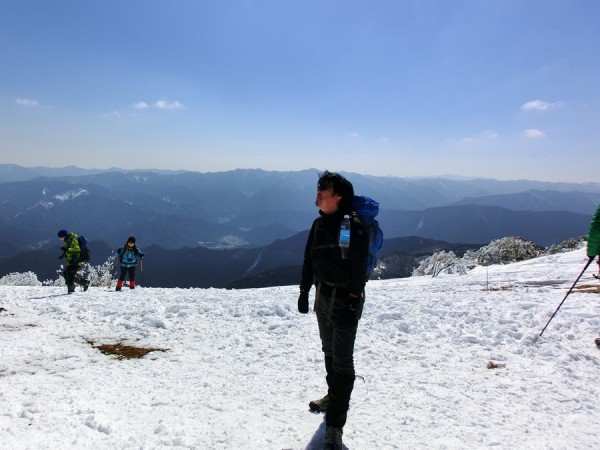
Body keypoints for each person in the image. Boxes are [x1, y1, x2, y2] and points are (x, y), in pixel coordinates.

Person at [298, 170, 369, 450]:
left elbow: (360, 267)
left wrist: (351, 300)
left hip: (344, 300)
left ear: (338, 196)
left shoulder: (354, 226)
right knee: (329, 352)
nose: (318, 192)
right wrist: (304, 291)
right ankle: (332, 394)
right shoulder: (318, 225)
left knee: (342, 363)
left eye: (323, 188)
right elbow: (308, 260)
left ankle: (335, 427)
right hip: (322, 298)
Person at [57, 229, 89, 293]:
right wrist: (63, 255)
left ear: (64, 236)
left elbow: (77, 250)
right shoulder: (67, 240)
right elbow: (70, 252)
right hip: (72, 261)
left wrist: (67, 249)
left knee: (69, 275)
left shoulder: (73, 240)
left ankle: (71, 290)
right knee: (66, 274)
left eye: (61, 237)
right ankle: (84, 283)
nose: (60, 239)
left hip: (76, 261)